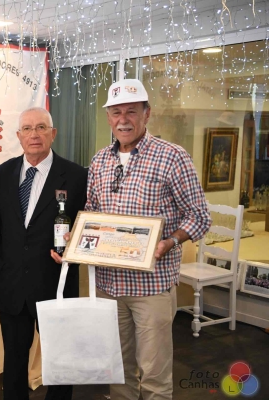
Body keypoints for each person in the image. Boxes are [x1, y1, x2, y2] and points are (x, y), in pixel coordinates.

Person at [55, 79, 211, 400]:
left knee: (154, 375)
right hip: (108, 286)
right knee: (118, 371)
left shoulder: (172, 157)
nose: (123, 120)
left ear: (146, 113)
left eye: (131, 111)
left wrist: (169, 242)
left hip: (150, 288)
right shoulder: (100, 160)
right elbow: (93, 212)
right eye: (116, 112)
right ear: (108, 117)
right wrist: (77, 237)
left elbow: (199, 216)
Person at [0, 107, 88, 400]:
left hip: (55, 284)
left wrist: (75, 244)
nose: (34, 134)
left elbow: (87, 225)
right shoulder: (3, 174)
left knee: (61, 362)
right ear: (19, 136)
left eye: (42, 127)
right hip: (11, 286)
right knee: (14, 361)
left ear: (53, 134)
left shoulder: (77, 176)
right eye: (28, 129)